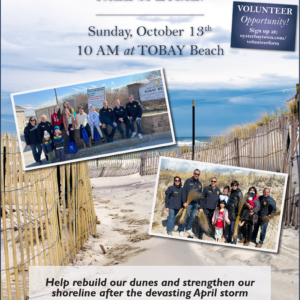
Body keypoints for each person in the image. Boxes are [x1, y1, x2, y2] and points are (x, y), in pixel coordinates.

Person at [179, 169, 202, 237]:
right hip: (188, 203)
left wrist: (199, 205)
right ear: (193, 173)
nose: (196, 175)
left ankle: (188, 229)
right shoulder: (188, 181)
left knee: (192, 217)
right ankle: (181, 230)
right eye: (195, 173)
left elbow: (200, 194)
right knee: (185, 216)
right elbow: (183, 192)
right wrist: (184, 202)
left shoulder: (200, 184)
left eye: (198, 174)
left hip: (195, 203)